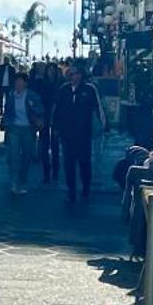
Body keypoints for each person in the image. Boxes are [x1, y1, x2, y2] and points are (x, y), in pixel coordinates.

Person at [53, 60, 101, 203]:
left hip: (84, 134)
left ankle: (85, 188)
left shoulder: (89, 90)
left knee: (84, 162)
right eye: (71, 74)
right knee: (68, 163)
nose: (73, 76)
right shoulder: (63, 90)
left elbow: (98, 109)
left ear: (80, 75)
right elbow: (58, 110)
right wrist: (56, 127)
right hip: (67, 133)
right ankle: (71, 190)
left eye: (75, 74)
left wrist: (103, 126)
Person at [1, 68, 39, 195]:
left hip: (28, 128)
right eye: (16, 81)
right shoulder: (11, 95)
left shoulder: (32, 96)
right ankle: (13, 183)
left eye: (20, 82)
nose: (17, 84)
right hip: (14, 128)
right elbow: (7, 111)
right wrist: (6, 123)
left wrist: (38, 119)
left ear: (25, 83)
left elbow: (39, 111)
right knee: (14, 155)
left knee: (26, 157)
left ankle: (22, 182)